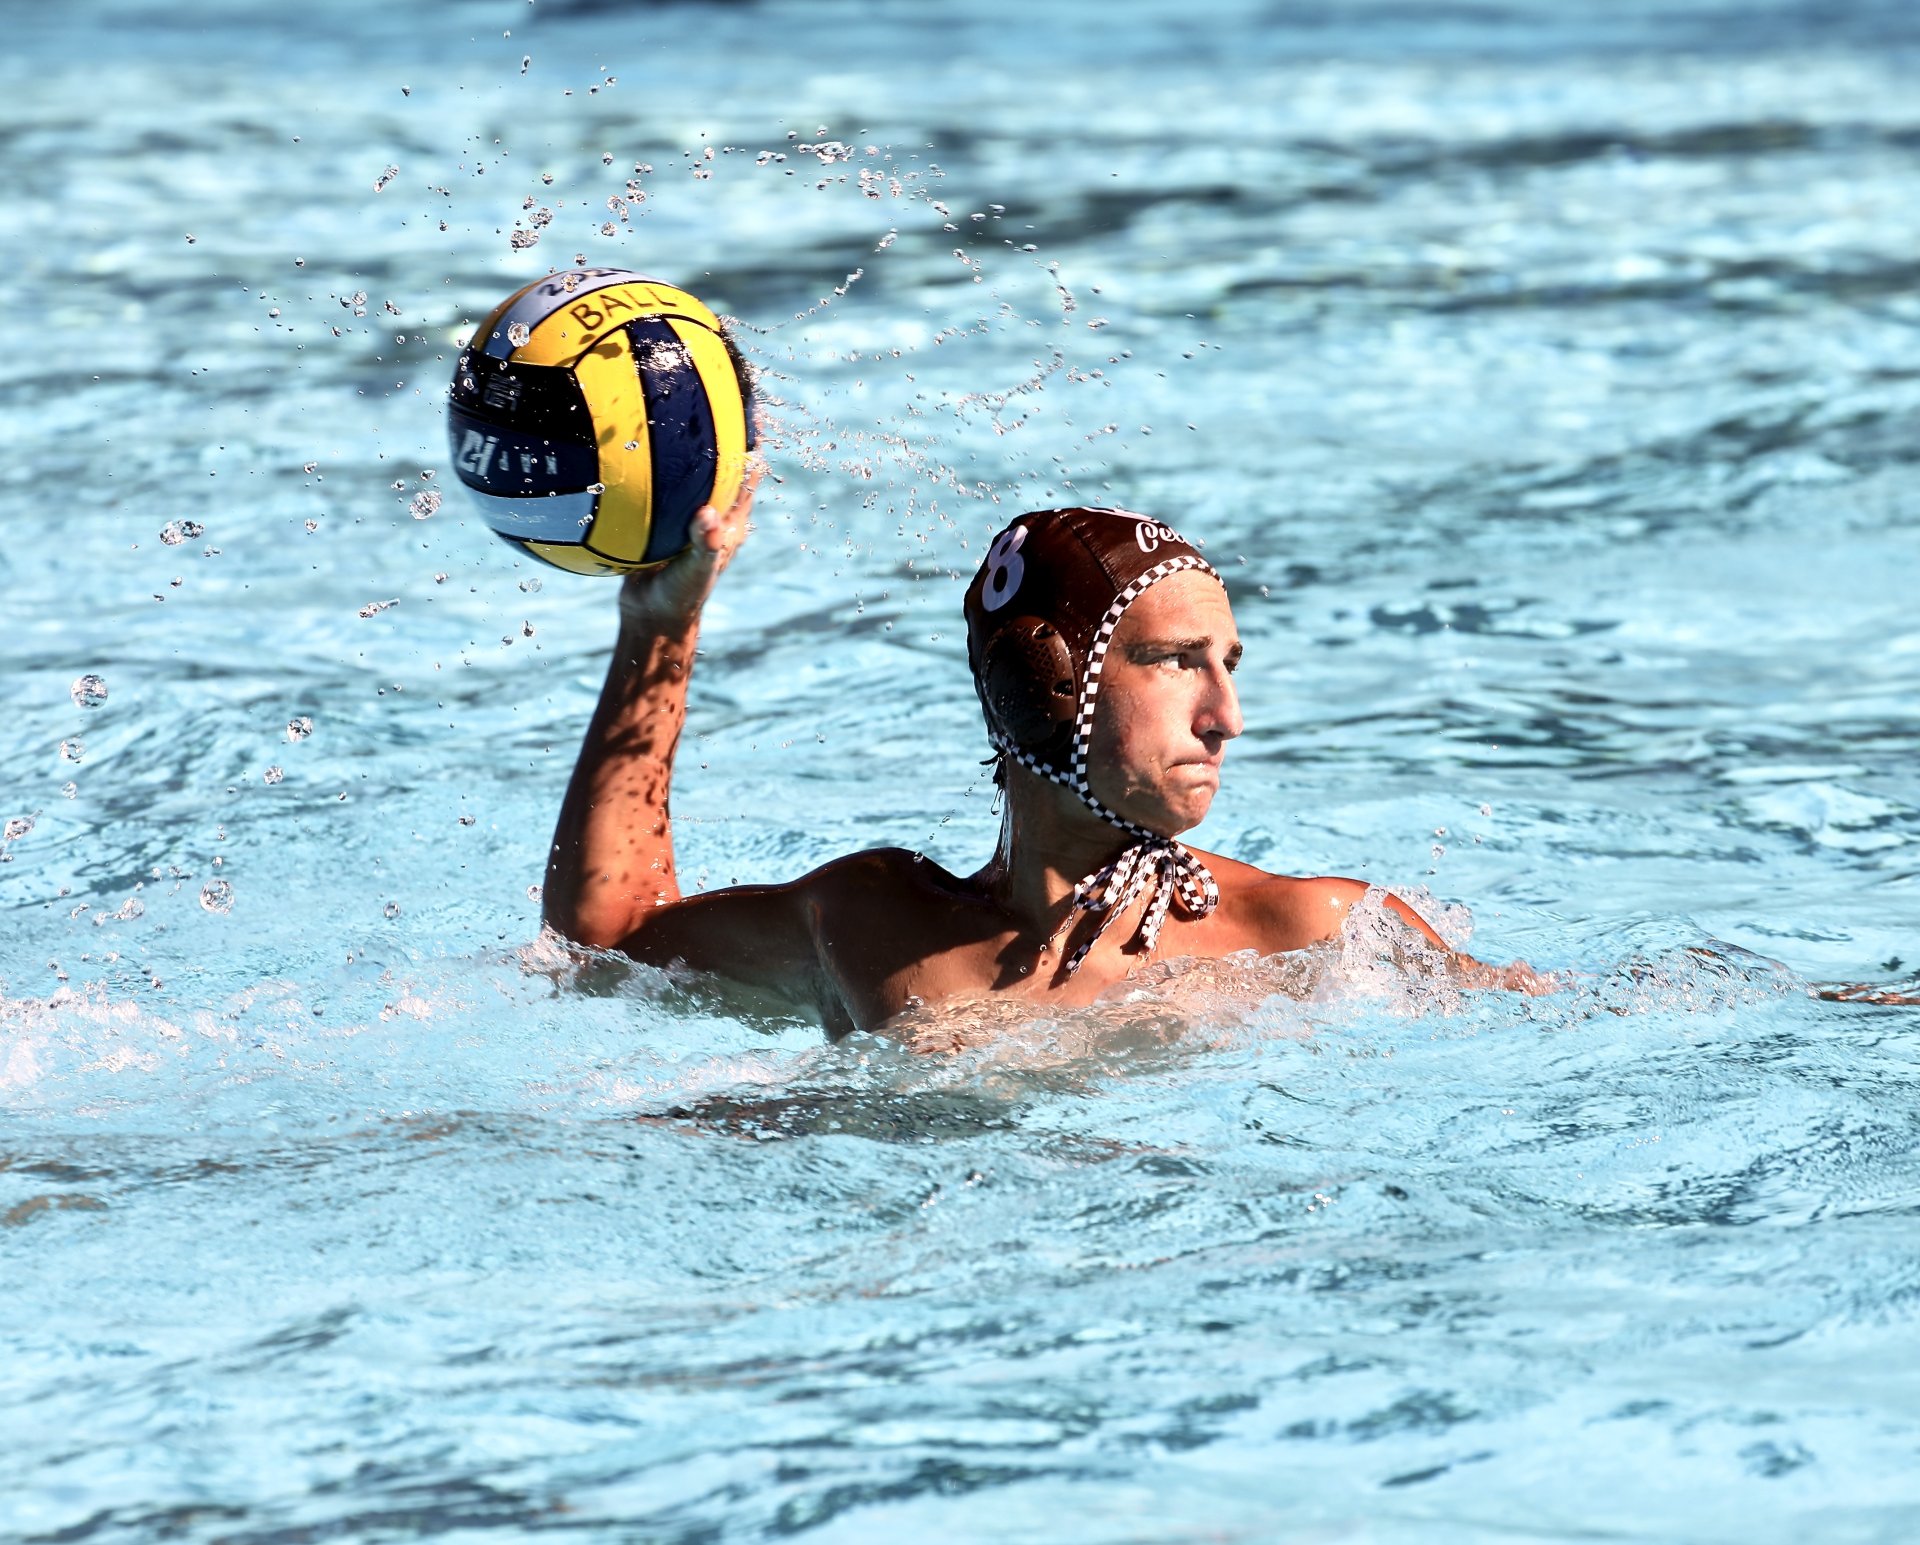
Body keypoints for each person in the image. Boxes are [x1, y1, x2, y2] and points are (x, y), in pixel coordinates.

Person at [541, 468, 1546, 1038]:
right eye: (1173, 662)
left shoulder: (1313, 929)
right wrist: (662, 627)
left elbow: (1545, 1026)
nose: (1227, 716)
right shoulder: (874, 924)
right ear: (1044, 684)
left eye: (1228, 664)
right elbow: (600, 951)